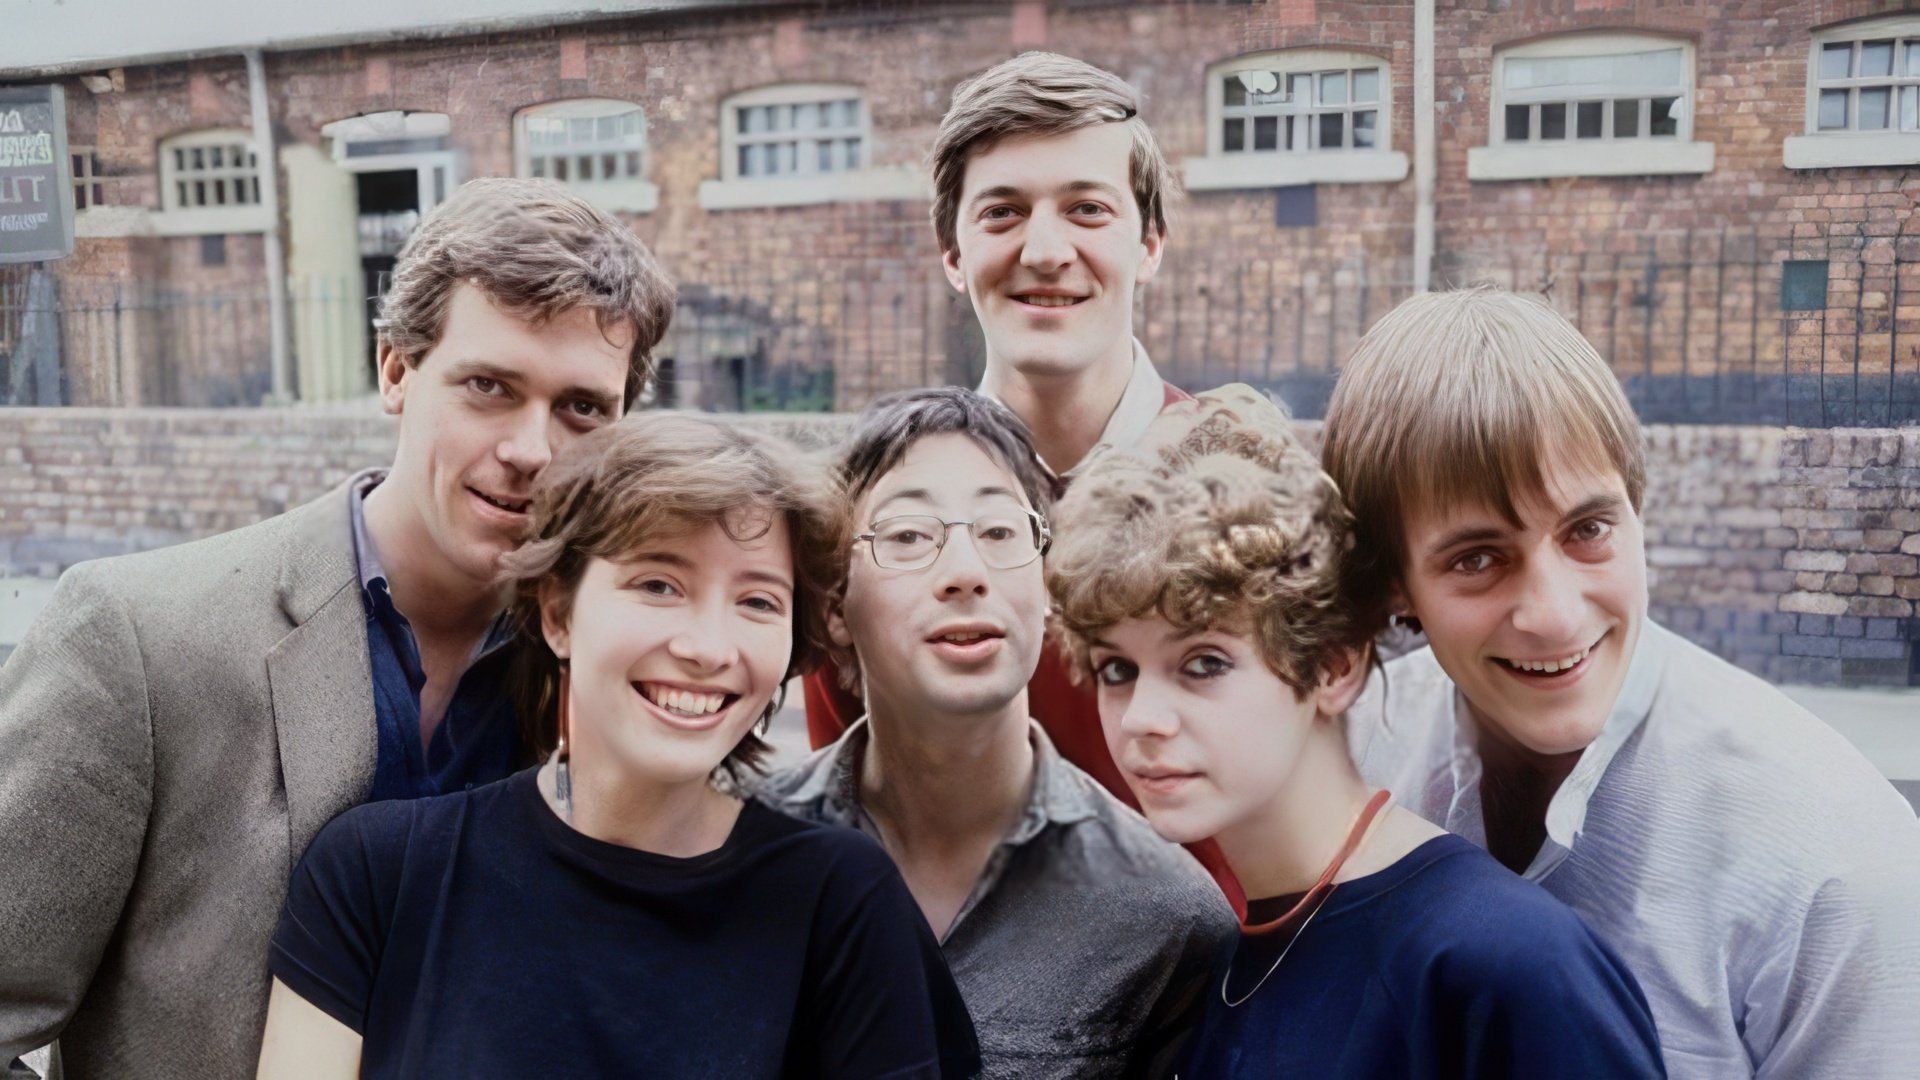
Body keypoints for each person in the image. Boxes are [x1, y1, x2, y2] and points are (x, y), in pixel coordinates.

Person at [0, 177, 676, 1079]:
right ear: (395, 370)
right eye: (489, 386)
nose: (532, 450)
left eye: (581, 408)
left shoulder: (625, 672)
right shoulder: (136, 638)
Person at [257, 411, 980, 1079]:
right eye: (659, 584)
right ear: (559, 613)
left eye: (758, 600)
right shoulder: (378, 876)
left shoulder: (842, 903)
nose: (706, 647)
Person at [1322, 286, 1920, 1079]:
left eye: (1588, 531)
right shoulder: (1351, 770)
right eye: (1477, 559)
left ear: (1638, 512)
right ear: (1392, 585)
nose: (1555, 614)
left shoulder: (1831, 860)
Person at [1047, 384, 1668, 1079]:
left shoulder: (1503, 962)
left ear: (1332, 665)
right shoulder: (1228, 954)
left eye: (1204, 663)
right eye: (1116, 669)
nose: (1142, 720)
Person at [801, 51, 1241, 906]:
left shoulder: (1248, 495)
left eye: (1087, 209)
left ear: (1148, 245)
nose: (1046, 251)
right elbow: (847, 811)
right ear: (953, 252)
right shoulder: (873, 524)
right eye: (1003, 212)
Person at [760, 387, 1234, 1077]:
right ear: (835, 606)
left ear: (1047, 591)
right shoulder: (738, 849)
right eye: (909, 535)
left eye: (1000, 530)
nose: (964, 574)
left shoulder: (1167, 916)